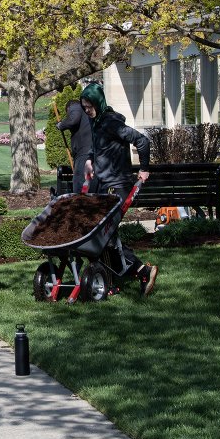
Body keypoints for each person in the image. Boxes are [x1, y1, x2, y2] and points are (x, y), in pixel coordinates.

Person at [79, 82, 158, 296]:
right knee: (103, 235)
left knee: (105, 235)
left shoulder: (111, 123)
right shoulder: (96, 121)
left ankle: (141, 271)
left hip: (118, 186)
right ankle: (111, 280)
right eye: (84, 107)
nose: (87, 111)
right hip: (104, 186)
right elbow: (96, 146)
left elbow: (142, 141)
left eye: (89, 107)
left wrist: (144, 169)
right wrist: (89, 160)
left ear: (98, 103)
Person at [56, 96, 93, 193]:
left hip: (84, 152)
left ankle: (80, 201)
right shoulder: (86, 114)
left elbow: (73, 120)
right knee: (89, 181)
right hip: (89, 151)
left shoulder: (75, 106)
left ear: (68, 108)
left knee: (79, 181)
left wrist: (61, 125)